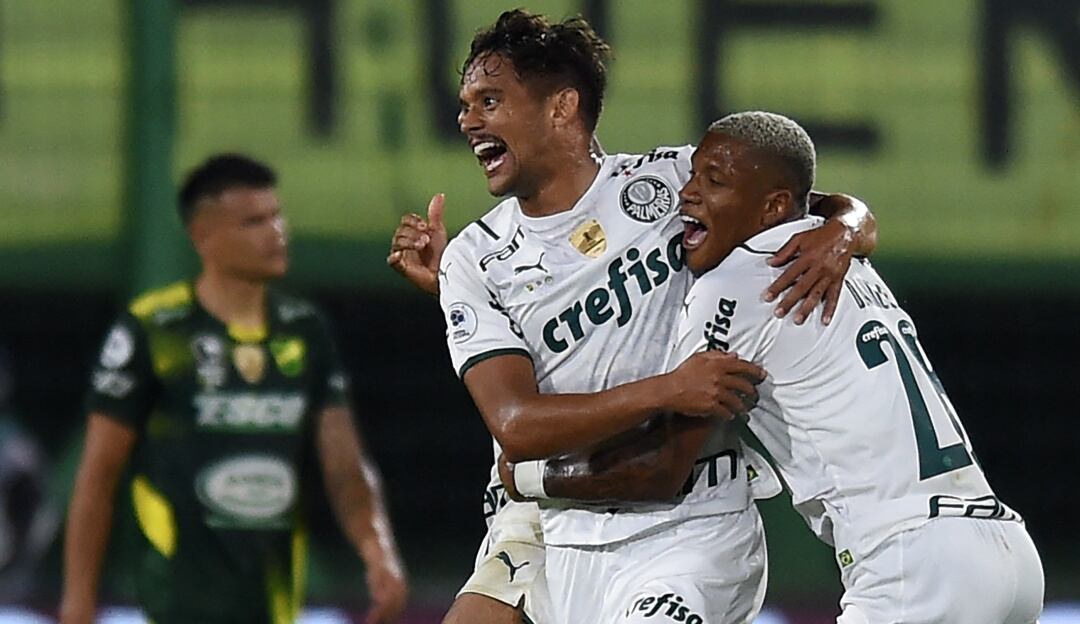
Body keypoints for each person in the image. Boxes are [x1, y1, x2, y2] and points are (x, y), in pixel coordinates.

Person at [387, 10, 878, 624]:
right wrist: (670, 389)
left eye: (490, 100)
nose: (467, 120)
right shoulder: (475, 258)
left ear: (562, 108)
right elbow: (514, 423)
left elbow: (798, 193)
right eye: (465, 104)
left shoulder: (671, 179)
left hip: (690, 525)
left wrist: (846, 228)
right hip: (560, 522)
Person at [666, 111, 1043, 623]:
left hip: (911, 558)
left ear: (773, 206)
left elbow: (665, 466)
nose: (687, 193)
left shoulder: (733, 286)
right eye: (692, 175)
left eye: (714, 181)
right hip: (1006, 552)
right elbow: (826, 205)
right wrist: (848, 221)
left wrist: (537, 471)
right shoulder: (844, 258)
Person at [61, 154, 408, 624]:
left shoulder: (303, 332)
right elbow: (98, 475)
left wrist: (377, 551)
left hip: (274, 604)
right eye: (253, 222)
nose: (276, 232)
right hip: (176, 604)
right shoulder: (154, 331)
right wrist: (78, 600)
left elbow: (344, 463)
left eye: (277, 215)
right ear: (203, 236)